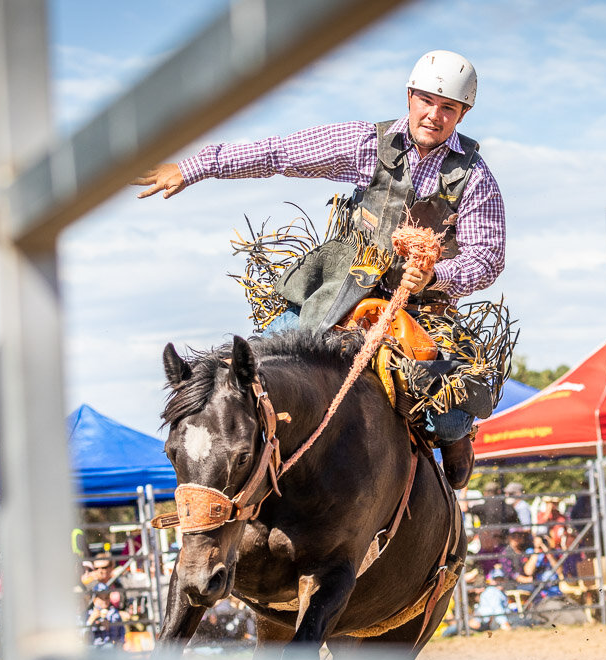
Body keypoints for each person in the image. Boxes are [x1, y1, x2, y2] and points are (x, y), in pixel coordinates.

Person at [133, 50, 505, 491]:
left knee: (449, 413)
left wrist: (435, 276)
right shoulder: (368, 143)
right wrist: (195, 167)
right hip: (341, 290)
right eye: (427, 101)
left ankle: (458, 437)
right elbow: (279, 153)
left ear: (462, 114)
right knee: (259, 365)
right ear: (409, 97)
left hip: (420, 309)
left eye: (449, 107)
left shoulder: (475, 176)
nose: (435, 115)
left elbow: (488, 258)